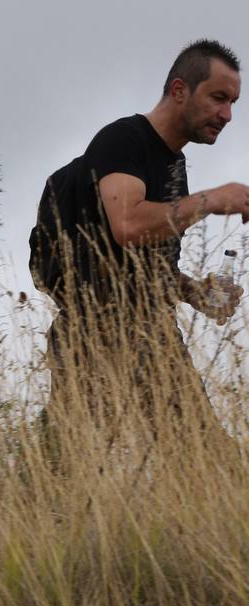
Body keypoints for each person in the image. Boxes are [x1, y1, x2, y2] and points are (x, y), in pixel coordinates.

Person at [28, 39, 249, 449]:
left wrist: (196, 293)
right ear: (180, 90)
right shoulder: (123, 140)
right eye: (219, 98)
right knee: (64, 467)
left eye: (233, 102)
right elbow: (127, 224)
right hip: (92, 333)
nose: (227, 114)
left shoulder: (174, 166)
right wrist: (212, 199)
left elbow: (146, 269)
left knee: (206, 460)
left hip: (154, 335)